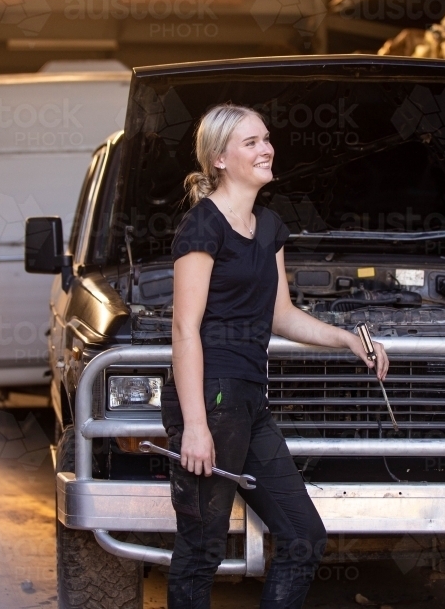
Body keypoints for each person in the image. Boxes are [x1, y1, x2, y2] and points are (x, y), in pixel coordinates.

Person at [163, 103, 390, 609]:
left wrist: (347, 339)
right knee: (202, 549)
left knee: (303, 534)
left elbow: (281, 316)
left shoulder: (268, 227)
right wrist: (196, 426)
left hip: (248, 401)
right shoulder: (202, 228)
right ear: (219, 158)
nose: (266, 149)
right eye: (251, 142)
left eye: (266, 138)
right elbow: (184, 327)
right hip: (210, 398)